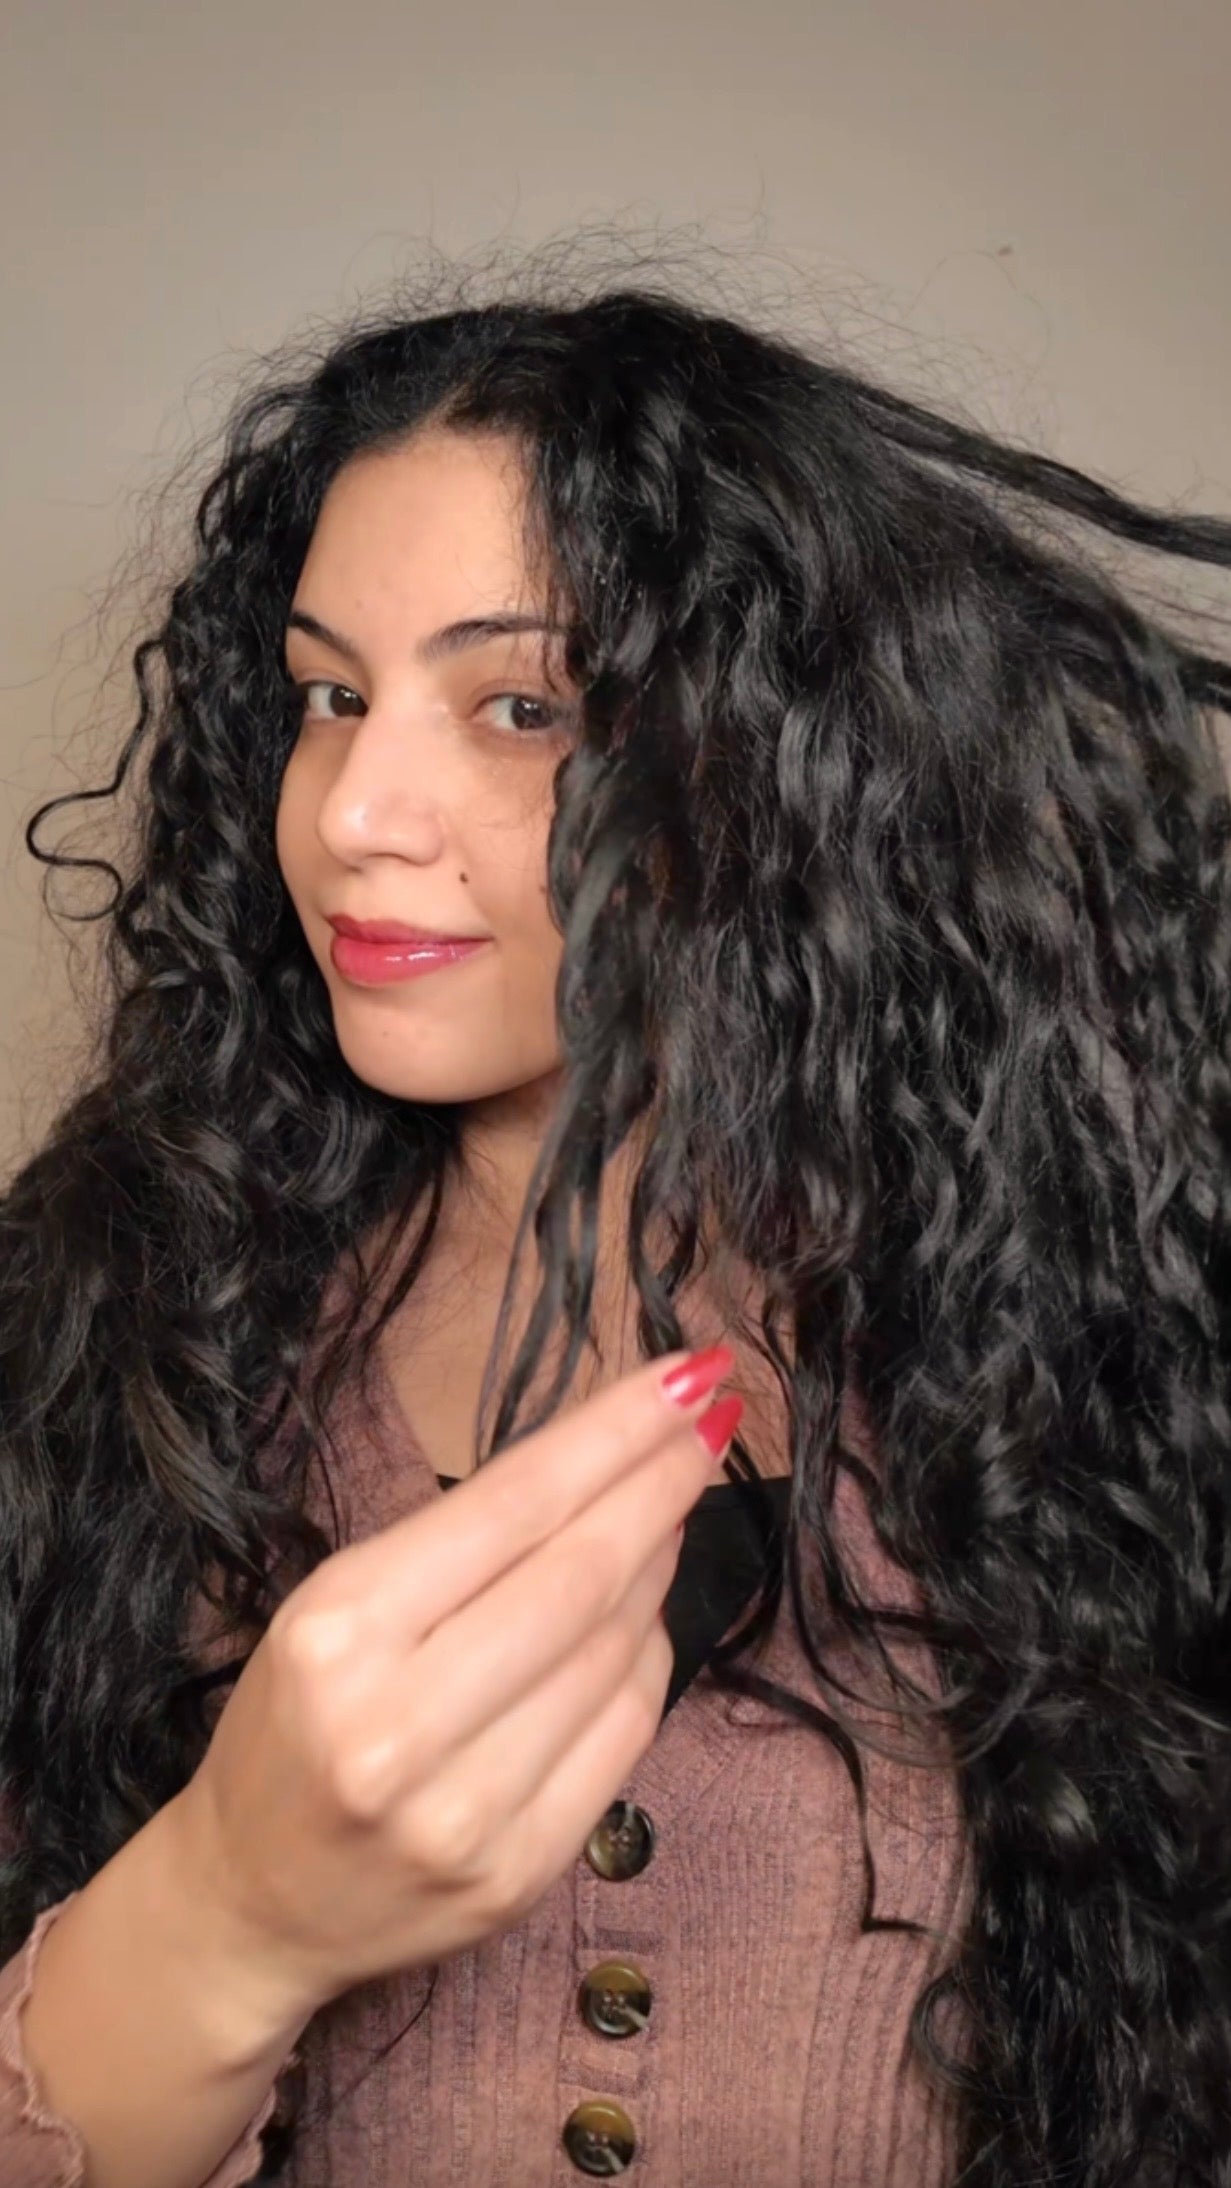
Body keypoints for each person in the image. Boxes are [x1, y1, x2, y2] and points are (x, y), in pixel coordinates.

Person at [0, 251, 1228, 2188]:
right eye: (328, 695)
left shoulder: (1109, 1354)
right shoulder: (108, 1325)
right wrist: (223, 1914)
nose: (349, 812)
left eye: (517, 705)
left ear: (784, 764)